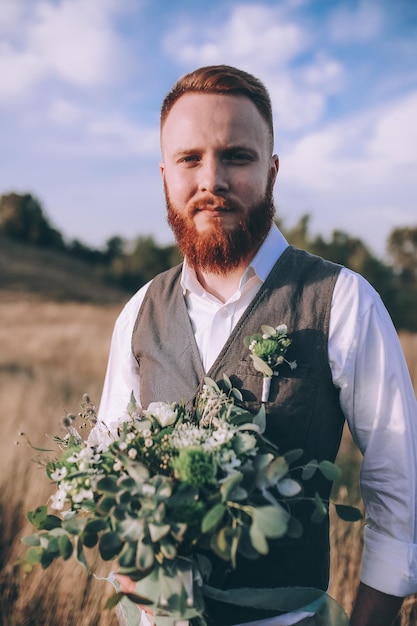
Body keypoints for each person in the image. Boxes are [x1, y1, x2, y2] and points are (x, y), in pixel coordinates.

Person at [91, 65, 417, 626]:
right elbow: (107, 460)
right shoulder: (139, 310)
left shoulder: (343, 300)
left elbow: (400, 491)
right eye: (190, 159)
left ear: (271, 171)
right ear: (165, 174)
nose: (210, 180)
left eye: (236, 157)